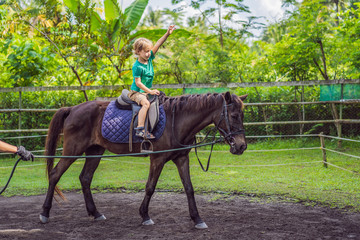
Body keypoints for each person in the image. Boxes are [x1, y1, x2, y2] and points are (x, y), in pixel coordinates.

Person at [128, 25, 176, 139]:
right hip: (137, 93)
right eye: (146, 51)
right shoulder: (137, 66)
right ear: (138, 51)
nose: (149, 53)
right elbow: (138, 83)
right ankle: (140, 129)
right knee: (146, 104)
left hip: (146, 92)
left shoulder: (149, 59)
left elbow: (158, 44)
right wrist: (150, 91)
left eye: (149, 51)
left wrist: (167, 33)